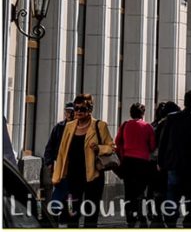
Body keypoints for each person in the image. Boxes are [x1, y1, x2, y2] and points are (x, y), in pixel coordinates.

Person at [51, 93, 115, 228]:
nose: (78, 112)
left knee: (91, 211)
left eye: (83, 109)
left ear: (90, 110)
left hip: (94, 176)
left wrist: (99, 148)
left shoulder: (100, 126)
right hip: (73, 175)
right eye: (76, 108)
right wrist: (57, 175)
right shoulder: (69, 126)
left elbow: (111, 147)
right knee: (72, 211)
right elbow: (62, 151)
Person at [157, 89, 191, 228]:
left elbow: (164, 141)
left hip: (174, 163)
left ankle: (170, 220)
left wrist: (160, 161)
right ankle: (190, 220)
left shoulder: (172, 118)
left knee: (172, 194)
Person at [115, 102, 156, 228]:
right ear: (143, 114)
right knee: (141, 192)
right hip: (143, 163)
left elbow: (117, 142)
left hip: (128, 161)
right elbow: (152, 146)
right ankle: (142, 215)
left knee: (129, 191)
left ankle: (130, 217)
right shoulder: (147, 127)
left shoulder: (125, 125)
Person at [149, 101, 180, 227]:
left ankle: (158, 216)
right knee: (170, 191)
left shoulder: (157, 125)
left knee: (159, 191)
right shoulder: (170, 124)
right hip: (168, 162)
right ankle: (168, 216)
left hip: (159, 162)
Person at [43, 102, 74, 198]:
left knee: (71, 193)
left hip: (73, 167)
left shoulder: (79, 128)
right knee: (58, 190)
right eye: (67, 112)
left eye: (71, 112)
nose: (69, 114)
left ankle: (68, 210)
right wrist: (49, 163)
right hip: (59, 166)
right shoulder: (58, 127)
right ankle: (56, 210)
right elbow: (49, 146)